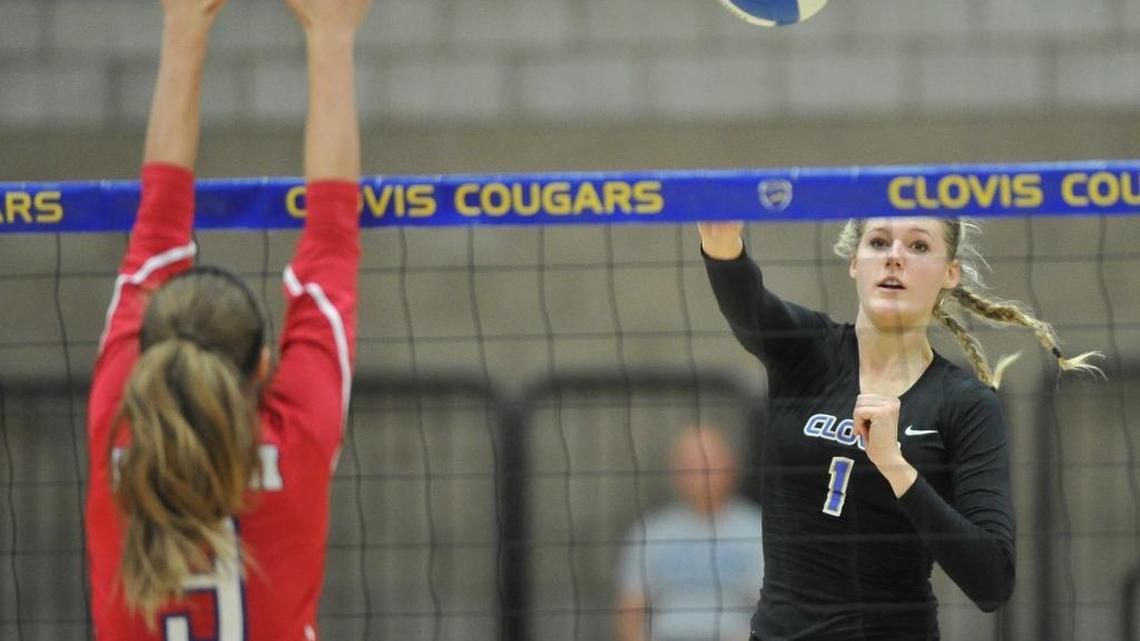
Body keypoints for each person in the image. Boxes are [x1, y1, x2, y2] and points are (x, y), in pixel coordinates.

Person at [84, 0, 370, 637]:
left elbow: (156, 226)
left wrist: (183, 23)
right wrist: (332, 32)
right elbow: (330, 241)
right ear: (264, 368)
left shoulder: (117, 430)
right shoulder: (294, 436)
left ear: (147, 355)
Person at [697, 218, 1101, 641]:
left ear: (950, 272)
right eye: (878, 242)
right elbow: (745, 301)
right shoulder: (805, 350)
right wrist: (721, 241)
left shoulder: (965, 404)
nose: (894, 256)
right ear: (855, 262)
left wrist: (895, 466)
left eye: (918, 246)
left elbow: (992, 581)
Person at [617, 425, 765, 641]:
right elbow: (630, 611)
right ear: (675, 470)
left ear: (731, 466)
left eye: (709, 462)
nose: (700, 473)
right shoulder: (650, 532)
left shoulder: (758, 529)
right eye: (690, 464)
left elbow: (770, 611)